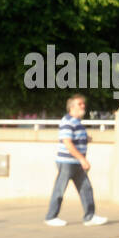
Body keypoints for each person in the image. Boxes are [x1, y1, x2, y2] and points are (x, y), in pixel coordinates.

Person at [45, 94, 107, 226]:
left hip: (76, 162)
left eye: (83, 104)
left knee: (86, 189)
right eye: (80, 104)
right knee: (60, 189)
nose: (83, 106)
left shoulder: (77, 122)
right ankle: (51, 217)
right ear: (72, 107)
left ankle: (89, 217)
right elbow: (67, 143)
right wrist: (82, 159)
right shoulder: (67, 121)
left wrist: (86, 139)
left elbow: (73, 139)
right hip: (67, 162)